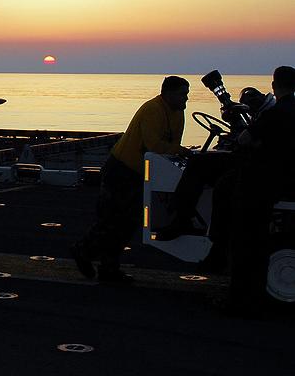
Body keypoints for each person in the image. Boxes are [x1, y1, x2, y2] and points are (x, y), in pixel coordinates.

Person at [71, 76, 191, 282]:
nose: (186, 99)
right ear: (168, 94)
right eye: (182, 94)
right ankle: (84, 251)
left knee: (127, 223)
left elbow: (169, 145)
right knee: (111, 220)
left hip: (138, 174)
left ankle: (108, 269)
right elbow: (154, 144)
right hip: (121, 169)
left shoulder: (178, 113)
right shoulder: (153, 110)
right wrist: (182, 152)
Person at [154, 86, 276, 245]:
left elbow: (244, 139)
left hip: (253, 166)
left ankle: (182, 218)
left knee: (198, 164)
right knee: (202, 165)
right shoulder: (273, 112)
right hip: (257, 164)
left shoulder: (269, 116)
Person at [222, 66, 295, 315]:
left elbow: (243, 140)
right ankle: (255, 297)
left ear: (275, 86)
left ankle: (239, 300)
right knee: (260, 245)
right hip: (282, 183)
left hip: (258, 184)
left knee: (244, 245)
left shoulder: (274, 114)